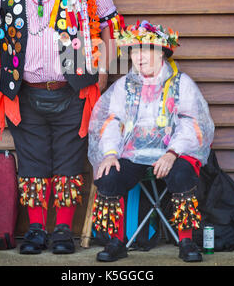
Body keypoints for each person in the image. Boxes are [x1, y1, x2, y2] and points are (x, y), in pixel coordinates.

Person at [0, 0, 123, 255]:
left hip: (73, 88)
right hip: (25, 90)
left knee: (68, 162)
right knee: (31, 163)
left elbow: (110, 28)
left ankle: (62, 230)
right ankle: (34, 231)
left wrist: (102, 78)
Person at [88, 20, 215, 262]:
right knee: (108, 174)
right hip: (133, 153)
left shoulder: (181, 83)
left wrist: (172, 152)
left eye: (146, 50)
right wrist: (111, 152)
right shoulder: (125, 86)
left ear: (162, 54)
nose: (139, 57)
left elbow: (191, 124)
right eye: (135, 51)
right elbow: (112, 121)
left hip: (171, 152)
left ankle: (186, 240)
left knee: (181, 174)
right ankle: (116, 241)